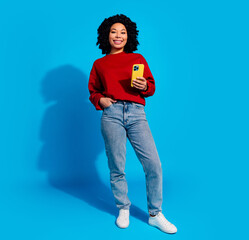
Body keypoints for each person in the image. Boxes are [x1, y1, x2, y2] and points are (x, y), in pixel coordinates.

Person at [88, 14, 177, 234]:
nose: (118, 36)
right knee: (117, 166)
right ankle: (123, 208)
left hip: (137, 113)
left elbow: (151, 87)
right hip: (112, 114)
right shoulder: (99, 64)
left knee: (153, 165)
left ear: (129, 36)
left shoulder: (138, 59)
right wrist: (101, 100)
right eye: (113, 31)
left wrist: (143, 85)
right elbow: (93, 91)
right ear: (106, 35)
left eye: (123, 32)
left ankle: (155, 214)